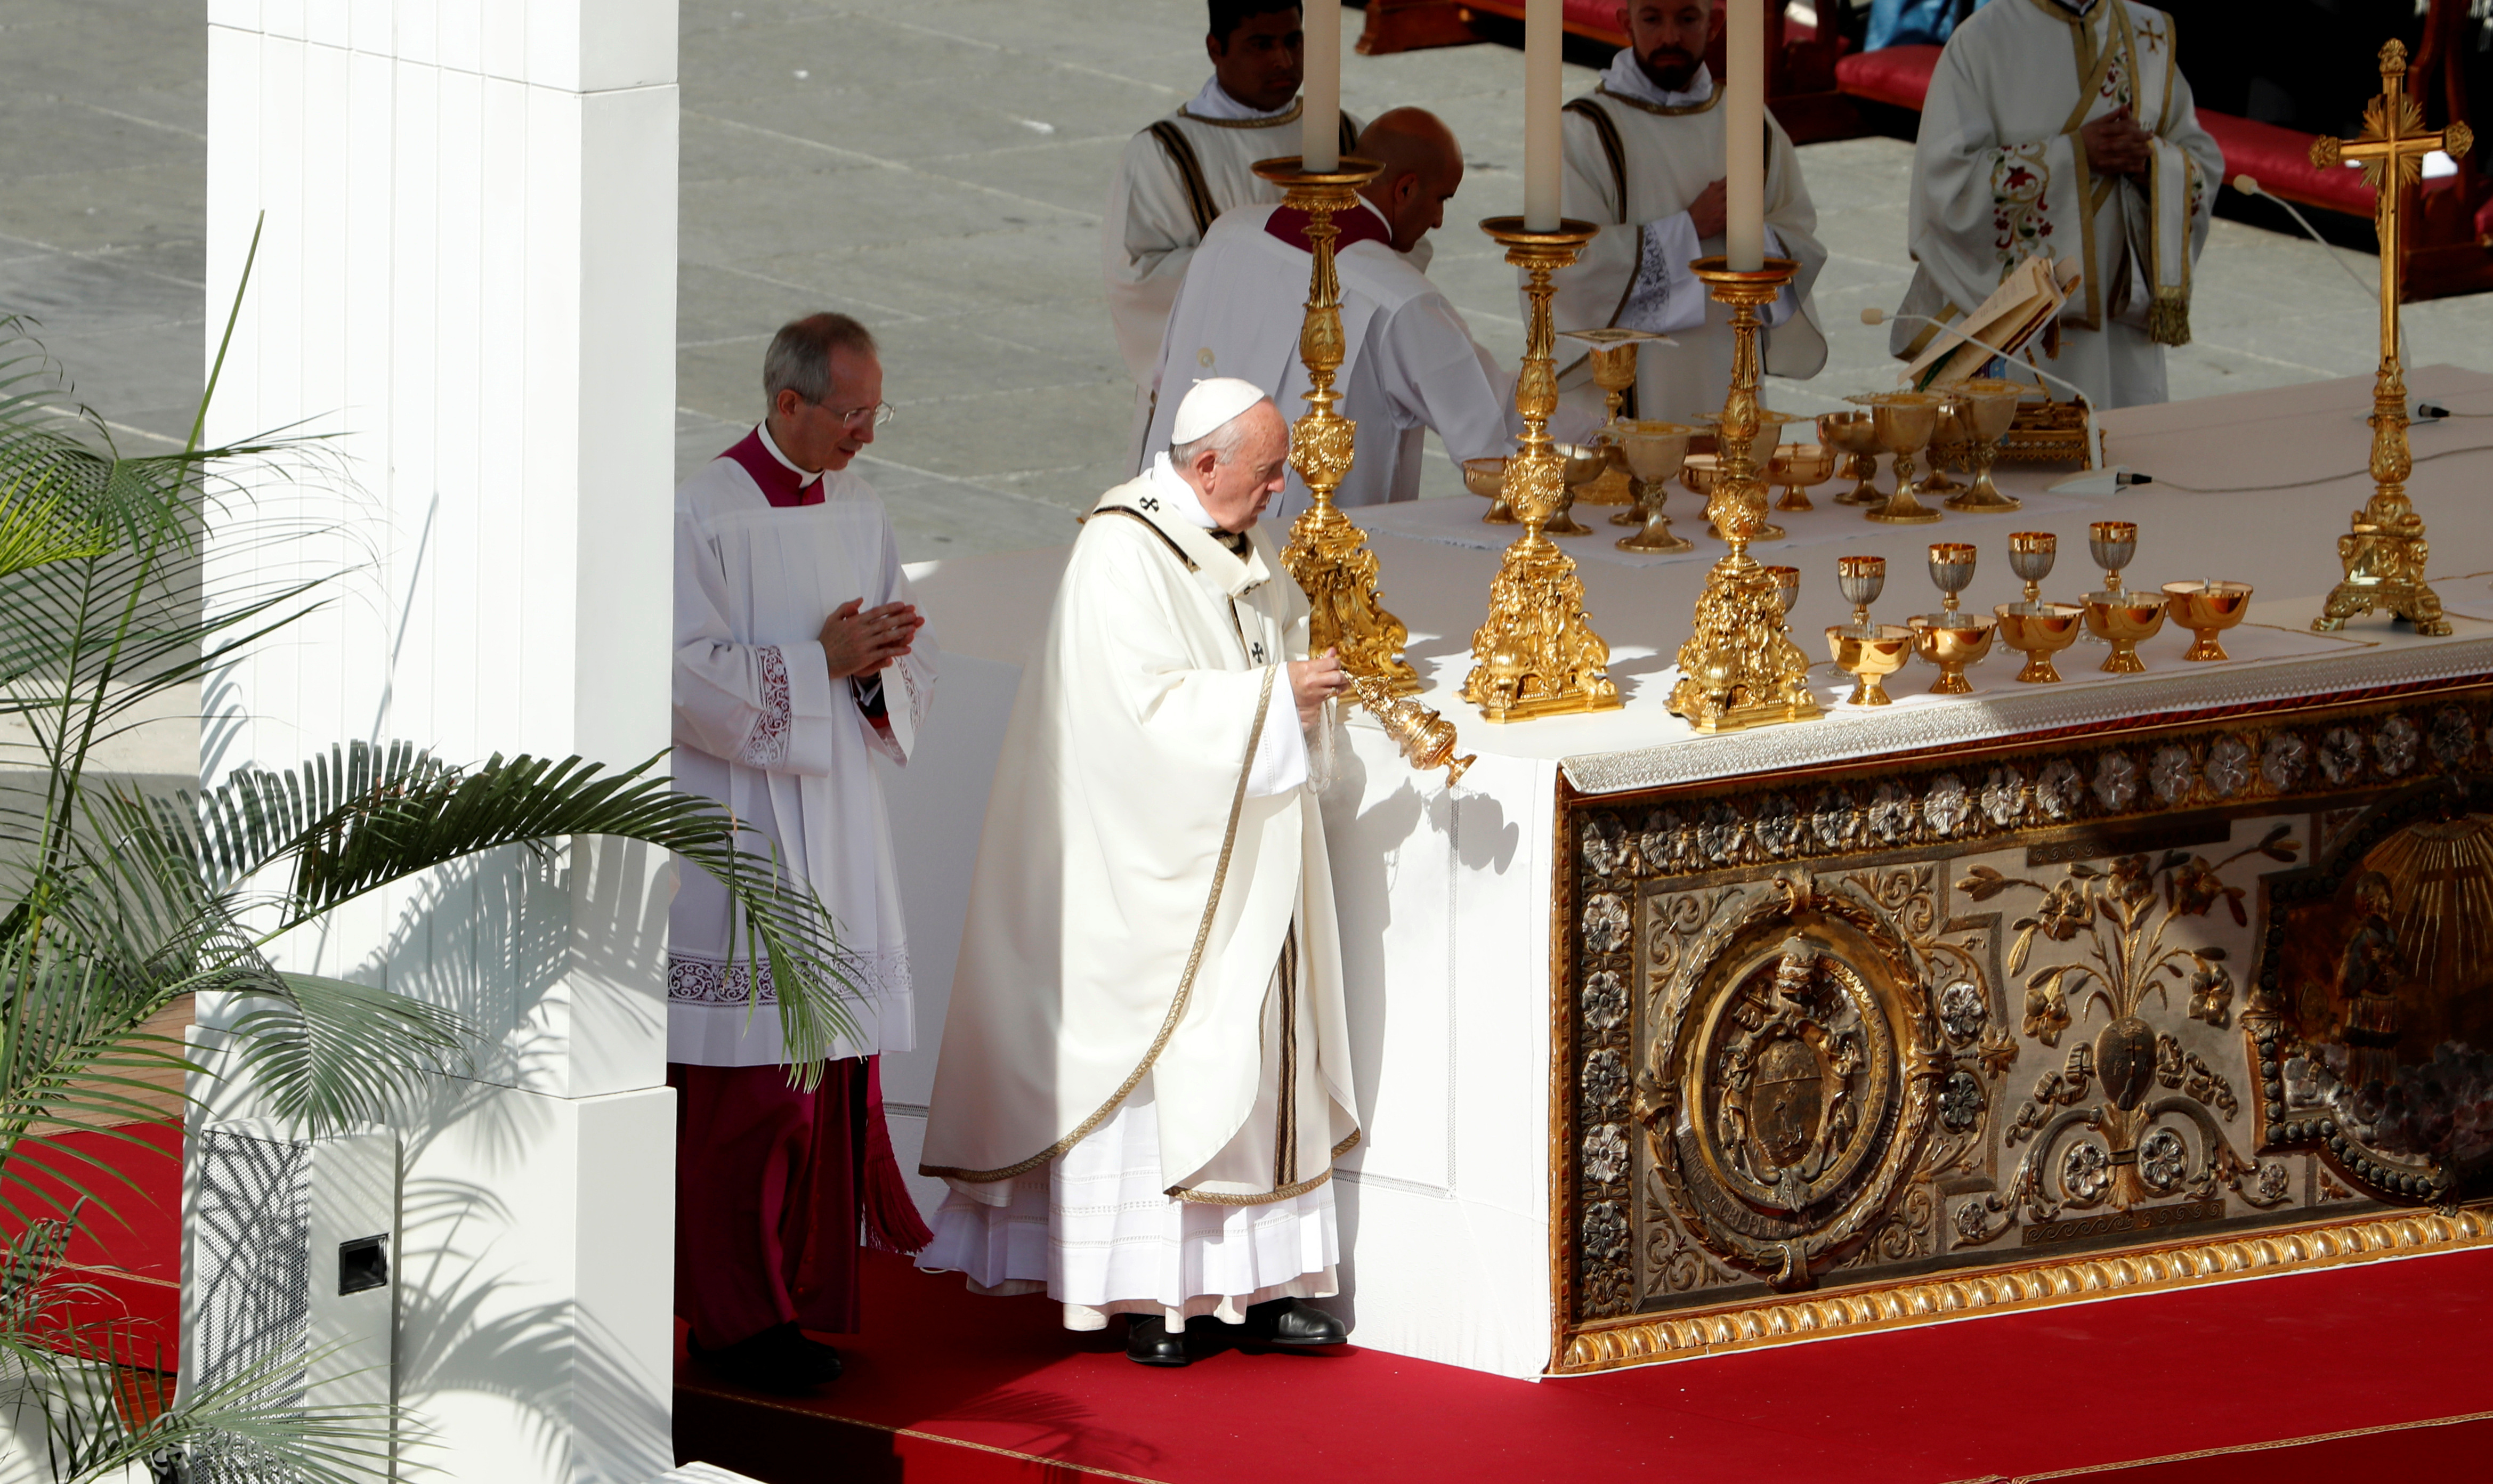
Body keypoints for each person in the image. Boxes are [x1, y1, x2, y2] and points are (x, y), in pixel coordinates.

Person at [919, 379, 1359, 1369]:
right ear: (1204, 467)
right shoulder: (1121, 552)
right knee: (1175, 1051)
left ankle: (1260, 1283)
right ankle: (1158, 1295)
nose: (1281, 489)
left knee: (1247, 1043)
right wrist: (1270, 698)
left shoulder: (1241, 539)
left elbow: (1264, 649)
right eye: (1265, 473)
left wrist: (1292, 692)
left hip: (1245, 834)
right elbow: (1135, 719)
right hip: (1147, 863)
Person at [668, 313, 938, 1392]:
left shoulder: (860, 508)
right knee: (750, 1094)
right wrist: (813, 660)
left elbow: (889, 666)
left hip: (838, 827)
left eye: (874, 410)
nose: (864, 432)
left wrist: (873, 668)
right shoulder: (701, 511)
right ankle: (735, 1324)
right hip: (740, 831)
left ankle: (795, 1301)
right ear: (787, 403)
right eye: (849, 411)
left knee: (822, 1082)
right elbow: (682, 675)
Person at [1144, 108, 1525, 524]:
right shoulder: (1399, 298)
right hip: (1312, 555)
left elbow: (1165, 374)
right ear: (1405, 189)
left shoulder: (1227, 234)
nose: (1437, 220)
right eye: (1441, 200)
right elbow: (1489, 442)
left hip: (1171, 515)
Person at [1891, 0, 2222, 408]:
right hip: (2015, 329)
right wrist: (2075, 156)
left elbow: (2199, 160)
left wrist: (2153, 163)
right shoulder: (1983, 41)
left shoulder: (2146, 34)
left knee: (2125, 453)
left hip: (2117, 333)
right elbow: (1946, 187)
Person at [1547, 1, 1828, 425]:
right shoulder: (1586, 129)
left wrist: (1755, 238)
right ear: (1626, 23)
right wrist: (1690, 229)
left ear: (1715, 23)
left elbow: (1799, 235)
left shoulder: (1750, 121)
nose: (1670, 37)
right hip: (1634, 385)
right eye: (1652, 19)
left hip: (1728, 362)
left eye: (1687, 19)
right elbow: (1570, 269)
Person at [1105, 1, 1363, 462]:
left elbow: (1398, 248)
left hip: (1329, 390)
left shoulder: (1345, 137)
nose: (1283, 60)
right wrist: (1275, 270)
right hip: (1216, 402)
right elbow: (1139, 279)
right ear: (1215, 49)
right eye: (1260, 45)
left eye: (1293, 41)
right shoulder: (1167, 153)